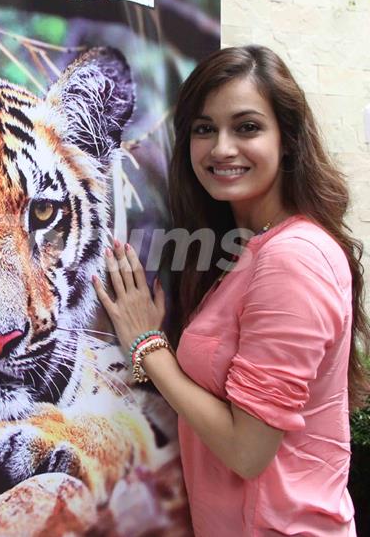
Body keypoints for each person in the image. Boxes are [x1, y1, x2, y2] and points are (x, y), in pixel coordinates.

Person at [92, 45, 369, 536]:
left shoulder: (293, 259)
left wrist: (148, 346)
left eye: (246, 127)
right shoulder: (246, 250)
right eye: (204, 129)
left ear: (288, 140)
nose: (221, 148)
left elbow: (247, 451)